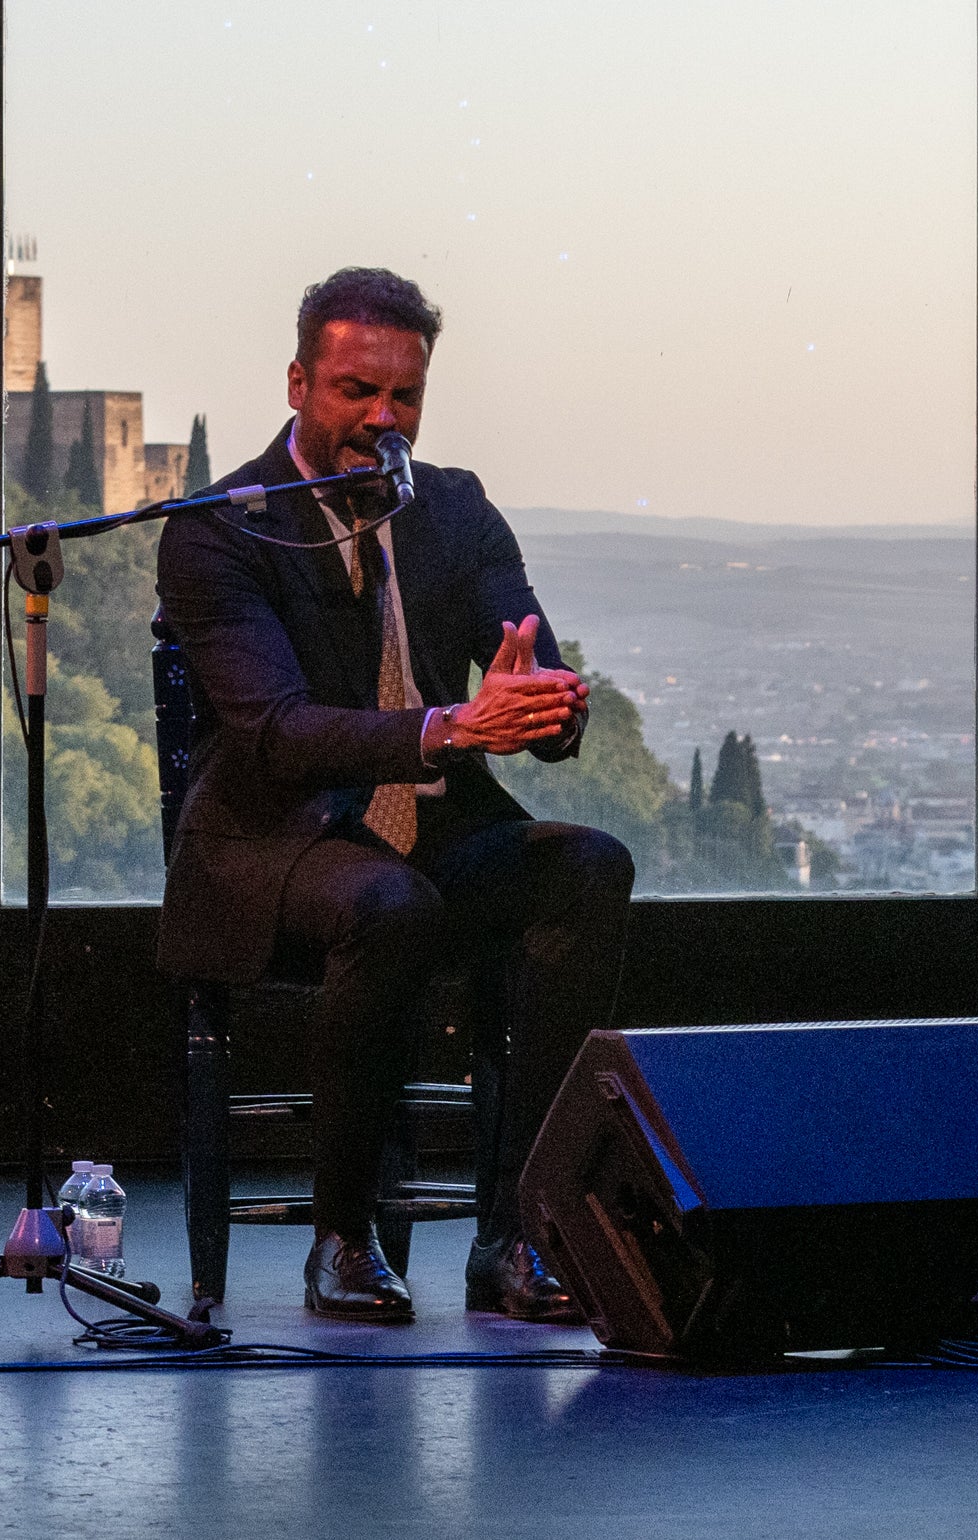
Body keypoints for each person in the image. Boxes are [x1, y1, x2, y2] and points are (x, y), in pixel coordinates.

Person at [156, 266, 633, 1325]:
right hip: (271, 838)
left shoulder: (454, 508)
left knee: (589, 868)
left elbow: (531, 666)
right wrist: (447, 727)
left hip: (430, 829)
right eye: (355, 391)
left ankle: (523, 1234)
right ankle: (342, 1238)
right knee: (390, 905)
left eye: (403, 396)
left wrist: (543, 705)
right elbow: (276, 733)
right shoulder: (220, 526)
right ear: (298, 385)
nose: (383, 418)